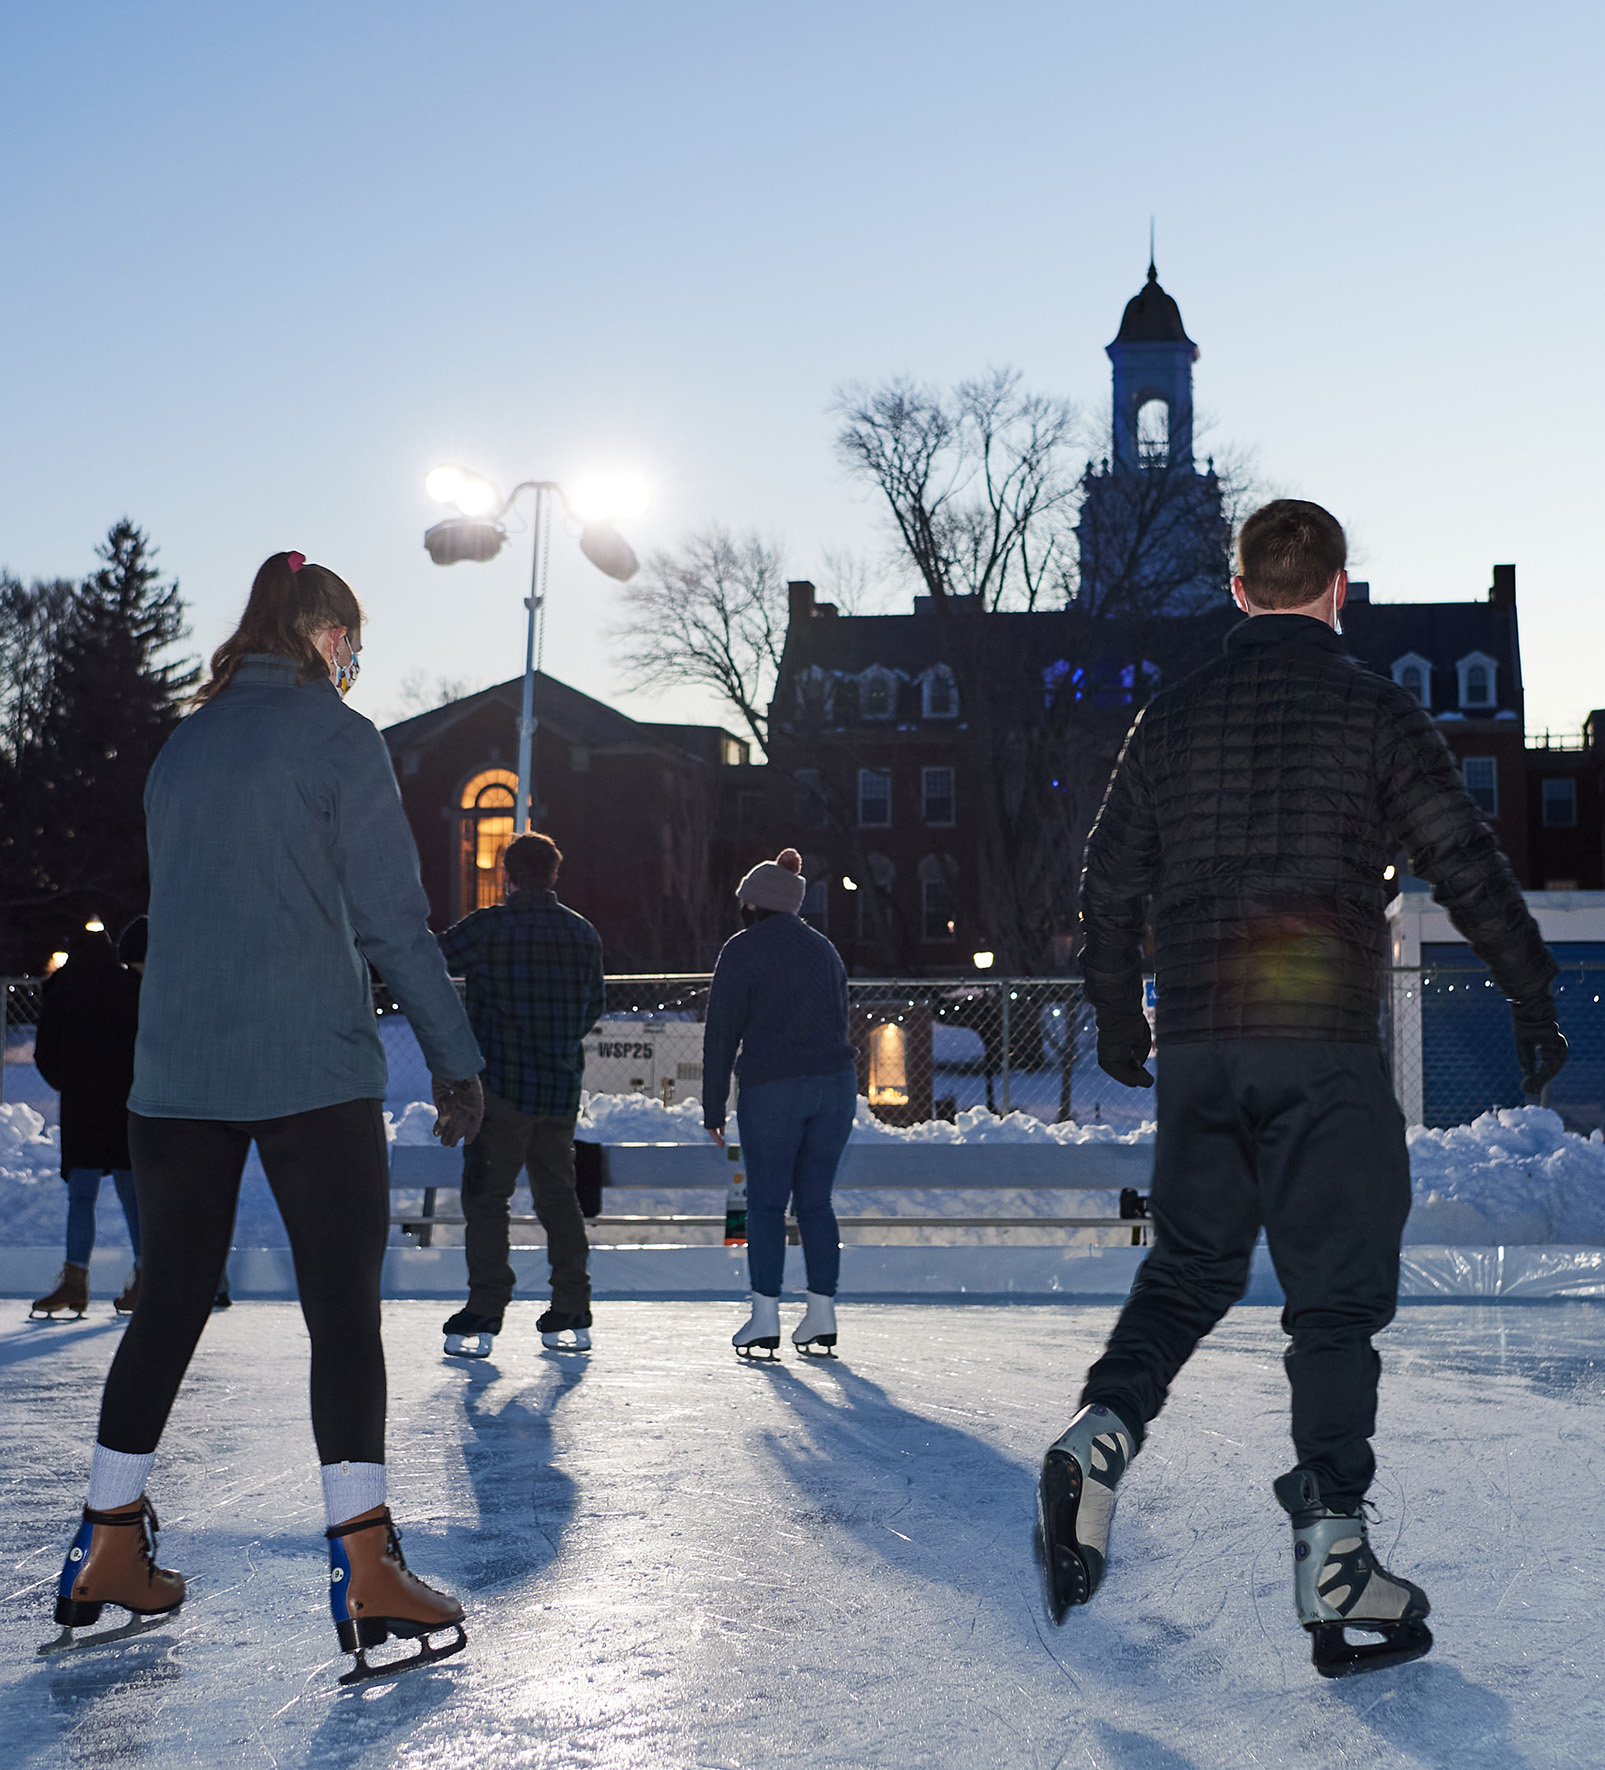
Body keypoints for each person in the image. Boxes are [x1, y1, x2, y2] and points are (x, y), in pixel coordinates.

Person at [1040, 500, 1567, 1678]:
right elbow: (1463, 859)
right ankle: (1334, 1560)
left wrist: (1123, 1014)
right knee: (1333, 1302)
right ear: (1340, 587)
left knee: (1190, 1267)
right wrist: (1530, 993)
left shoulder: (1168, 717)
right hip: (1320, 1043)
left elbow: (1108, 878)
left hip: (1205, 1044)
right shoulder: (1375, 710)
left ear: (1239, 591)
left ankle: (1103, 1430)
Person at [48, 551, 489, 1686]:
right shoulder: (341, 739)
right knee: (342, 1313)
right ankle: (368, 1572)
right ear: (320, 633)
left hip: (177, 1072)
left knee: (170, 1305)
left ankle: (105, 1544)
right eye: (350, 640)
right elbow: (393, 919)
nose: (353, 661)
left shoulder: (181, 746)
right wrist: (456, 1058)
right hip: (308, 1066)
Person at [436, 832, 604, 1356]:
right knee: (560, 1198)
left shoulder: (487, 928)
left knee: (488, 1199)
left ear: (506, 873)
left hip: (500, 1087)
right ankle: (571, 1304)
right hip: (557, 1087)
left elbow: (427, 962)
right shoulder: (582, 934)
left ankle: (487, 1307)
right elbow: (594, 1005)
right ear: (555, 873)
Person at [702, 848, 856, 1359]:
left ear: (753, 904)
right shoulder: (825, 950)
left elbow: (721, 1034)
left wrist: (712, 1106)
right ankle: (821, 1315)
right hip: (835, 1083)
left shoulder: (742, 950)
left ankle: (765, 1318)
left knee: (766, 1204)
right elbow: (839, 1020)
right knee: (816, 1202)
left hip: (774, 1086)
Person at [29, 924, 143, 1320]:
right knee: (132, 1191)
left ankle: (75, 1279)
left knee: (81, 1195)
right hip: (124, 1100)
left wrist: (69, 1082)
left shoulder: (63, 988)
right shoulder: (129, 985)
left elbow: (45, 1053)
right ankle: (145, 1275)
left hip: (83, 1104)